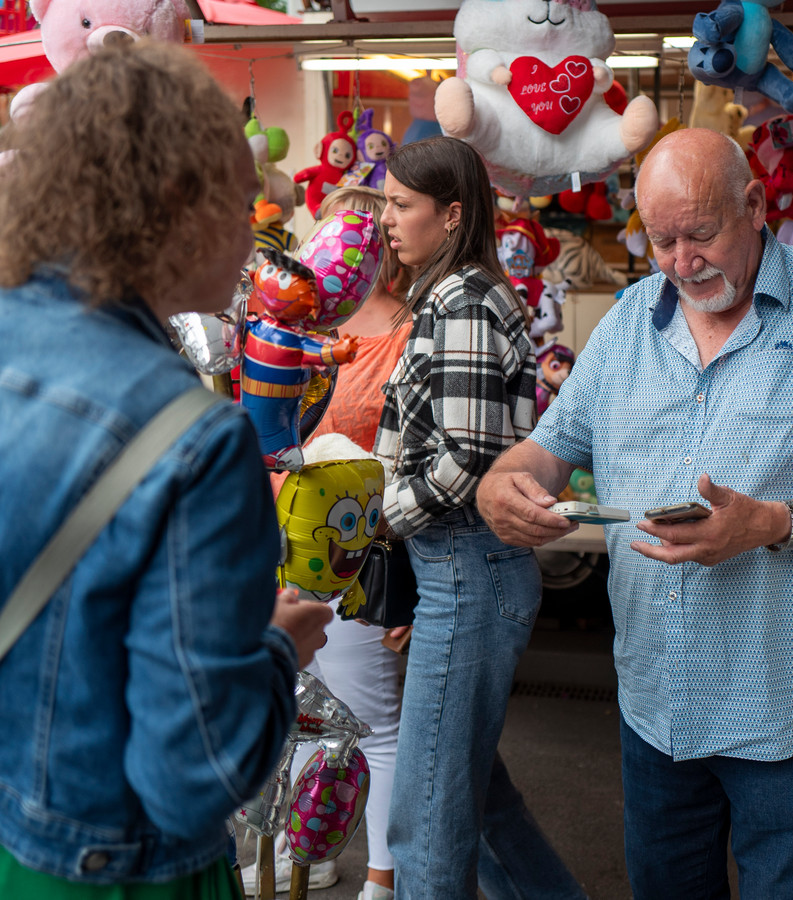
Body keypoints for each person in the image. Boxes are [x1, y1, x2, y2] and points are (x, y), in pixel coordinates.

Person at [475, 127, 793, 900]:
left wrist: (772, 524)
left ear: (756, 205)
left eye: (701, 234)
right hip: (656, 698)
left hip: (791, 700)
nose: (682, 261)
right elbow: (551, 445)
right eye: (661, 240)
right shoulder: (630, 319)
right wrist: (506, 482)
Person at [0, 40, 332, 896]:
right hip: (123, 866)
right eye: (242, 202)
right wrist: (275, 652)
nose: (255, 234)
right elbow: (192, 777)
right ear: (179, 207)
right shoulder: (194, 440)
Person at [373, 137, 587, 900]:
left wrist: (386, 517)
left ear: (452, 213)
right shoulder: (453, 293)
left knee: (427, 815)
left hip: (466, 566)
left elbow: (468, 451)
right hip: (461, 570)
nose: (386, 221)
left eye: (402, 205)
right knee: (473, 796)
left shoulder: (463, 299)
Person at [239, 186, 414, 900]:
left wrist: (409, 585)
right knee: (300, 708)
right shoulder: (286, 324)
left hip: (357, 548)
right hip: (281, 537)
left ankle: (383, 874)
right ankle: (302, 852)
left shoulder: (407, 331)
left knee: (368, 718)